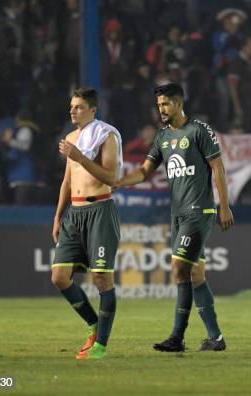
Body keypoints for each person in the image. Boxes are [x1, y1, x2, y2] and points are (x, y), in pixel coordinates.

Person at [115, 83, 234, 352]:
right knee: (195, 273)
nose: (162, 110)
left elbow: (218, 168)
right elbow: (145, 171)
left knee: (179, 268)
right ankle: (216, 338)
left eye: (166, 104)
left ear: (179, 104)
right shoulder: (162, 137)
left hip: (199, 210)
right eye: (158, 106)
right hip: (177, 214)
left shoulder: (199, 130)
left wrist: (223, 206)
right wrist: (119, 182)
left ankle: (177, 338)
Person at [51, 87, 123, 360]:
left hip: (100, 209)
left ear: (93, 110)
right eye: (72, 106)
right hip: (75, 213)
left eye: (79, 106)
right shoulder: (70, 138)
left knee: (102, 279)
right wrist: (58, 216)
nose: (73, 110)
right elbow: (68, 182)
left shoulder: (107, 136)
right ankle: (94, 324)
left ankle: (101, 346)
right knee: (59, 277)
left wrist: (79, 156)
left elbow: (111, 176)